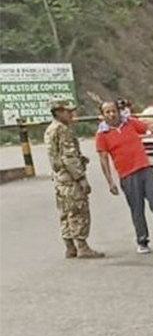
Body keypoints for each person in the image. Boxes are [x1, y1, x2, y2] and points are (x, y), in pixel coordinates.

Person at [95, 101, 153, 254]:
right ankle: (142, 240)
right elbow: (103, 159)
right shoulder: (102, 135)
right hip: (127, 175)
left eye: (113, 111)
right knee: (137, 209)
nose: (111, 114)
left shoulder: (130, 123)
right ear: (102, 115)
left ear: (119, 111)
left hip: (145, 169)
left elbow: (150, 128)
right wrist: (110, 182)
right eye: (107, 112)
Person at [44, 100, 104, 259]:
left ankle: (69, 246)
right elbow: (68, 157)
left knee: (65, 212)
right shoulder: (63, 130)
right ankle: (82, 246)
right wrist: (81, 178)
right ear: (58, 112)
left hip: (60, 179)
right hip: (70, 179)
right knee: (78, 211)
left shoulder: (50, 130)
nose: (71, 114)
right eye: (67, 111)